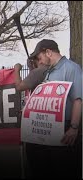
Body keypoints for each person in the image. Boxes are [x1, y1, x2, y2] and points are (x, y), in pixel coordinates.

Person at [25, 39, 82, 178]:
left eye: (40, 58)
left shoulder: (71, 68)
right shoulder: (46, 72)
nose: (40, 61)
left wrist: (73, 128)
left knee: (63, 169)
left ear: (48, 52)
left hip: (63, 129)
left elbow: (78, 100)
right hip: (45, 130)